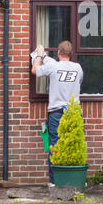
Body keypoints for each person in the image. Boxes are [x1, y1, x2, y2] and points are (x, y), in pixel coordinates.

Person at [31, 40, 83, 185]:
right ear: (71, 54)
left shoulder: (53, 66)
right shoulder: (78, 68)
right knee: (73, 144)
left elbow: (35, 70)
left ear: (58, 53)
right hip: (73, 112)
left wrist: (40, 56)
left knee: (55, 145)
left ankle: (55, 182)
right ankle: (72, 180)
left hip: (56, 112)